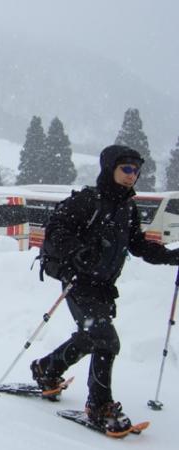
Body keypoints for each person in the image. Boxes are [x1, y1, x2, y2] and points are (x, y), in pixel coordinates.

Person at [31, 145, 179, 432]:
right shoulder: (88, 200)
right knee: (106, 339)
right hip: (77, 281)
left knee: (91, 338)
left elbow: (137, 246)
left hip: (102, 285)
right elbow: (56, 230)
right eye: (126, 168)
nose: (132, 175)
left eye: (136, 170)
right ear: (110, 168)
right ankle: (99, 405)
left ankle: (47, 369)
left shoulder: (127, 207)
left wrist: (171, 256)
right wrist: (77, 251)